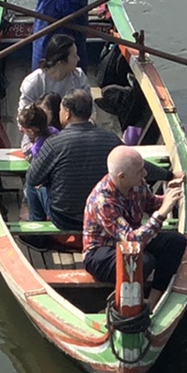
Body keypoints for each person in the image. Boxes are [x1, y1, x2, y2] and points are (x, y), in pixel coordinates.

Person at [82, 147, 186, 300]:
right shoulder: (103, 201)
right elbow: (131, 240)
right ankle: (127, 304)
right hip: (102, 252)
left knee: (176, 241)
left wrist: (170, 197)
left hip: (131, 238)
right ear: (122, 177)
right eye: (139, 171)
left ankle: (154, 298)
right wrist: (161, 214)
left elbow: (151, 203)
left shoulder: (137, 183)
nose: (144, 174)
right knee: (143, 261)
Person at [23, 91, 117, 230]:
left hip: (64, 219)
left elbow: (32, 179)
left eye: (60, 109)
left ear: (67, 113)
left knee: (31, 185)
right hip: (100, 214)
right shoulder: (111, 139)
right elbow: (135, 163)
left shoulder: (54, 143)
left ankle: (37, 235)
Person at [17, 32, 89, 131]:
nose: (78, 58)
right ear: (61, 62)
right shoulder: (34, 82)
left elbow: (90, 112)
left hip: (72, 131)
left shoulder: (79, 77)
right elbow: (23, 120)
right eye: (74, 56)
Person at [14, 102, 57, 221]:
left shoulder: (37, 149)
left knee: (31, 184)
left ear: (32, 131)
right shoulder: (54, 131)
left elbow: (38, 173)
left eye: (24, 130)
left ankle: (36, 220)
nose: (22, 131)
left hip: (51, 185)